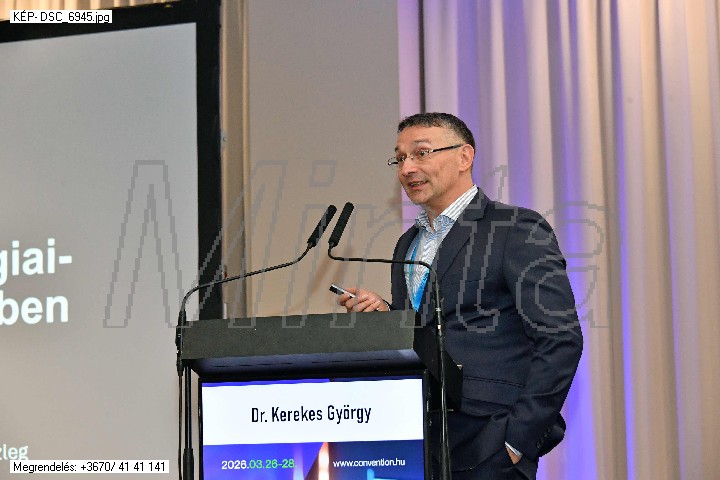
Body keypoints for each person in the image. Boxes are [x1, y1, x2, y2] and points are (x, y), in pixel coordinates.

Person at [337, 113, 583, 479]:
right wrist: (387, 316)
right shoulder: (408, 243)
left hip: (490, 440)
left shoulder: (515, 228)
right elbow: (426, 333)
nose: (407, 168)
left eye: (421, 153)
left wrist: (518, 440)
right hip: (421, 439)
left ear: (464, 156)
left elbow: (560, 338)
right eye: (400, 158)